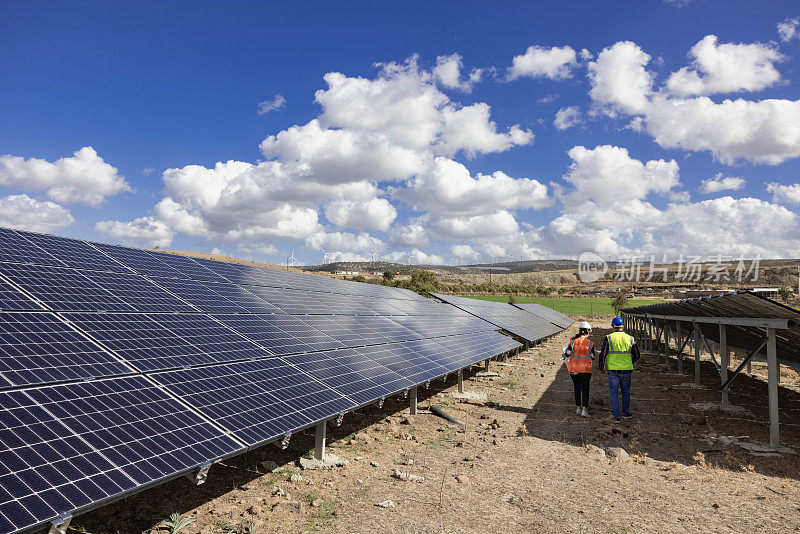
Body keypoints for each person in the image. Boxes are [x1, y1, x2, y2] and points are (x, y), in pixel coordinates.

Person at [598, 316, 640, 423]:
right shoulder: (630, 338)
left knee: (613, 392)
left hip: (613, 371)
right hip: (626, 370)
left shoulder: (609, 338)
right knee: (626, 392)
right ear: (623, 326)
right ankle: (625, 412)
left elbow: (603, 354)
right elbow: (637, 355)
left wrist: (601, 367)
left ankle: (616, 415)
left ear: (613, 326)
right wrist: (630, 362)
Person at [563, 321, 594, 418]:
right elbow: (593, 356)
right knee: (585, 389)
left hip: (574, 369)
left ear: (580, 331)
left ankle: (578, 408)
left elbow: (567, 353)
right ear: (588, 331)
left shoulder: (572, 342)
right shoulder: (590, 343)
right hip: (585, 370)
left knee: (577, 388)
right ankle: (585, 410)